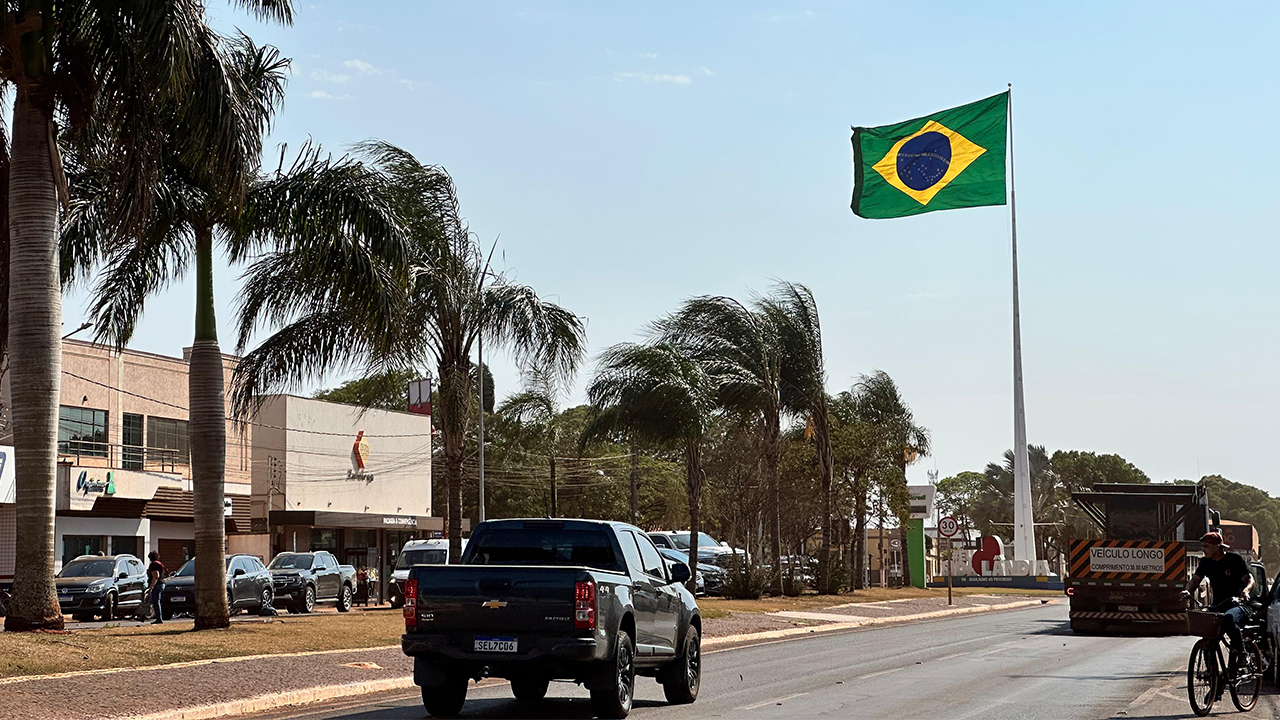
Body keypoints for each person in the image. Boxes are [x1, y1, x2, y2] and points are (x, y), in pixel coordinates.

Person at [1183, 531, 1254, 668]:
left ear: (1217, 546)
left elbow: (1249, 579)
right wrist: (1187, 590)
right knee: (1208, 636)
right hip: (1218, 606)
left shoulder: (1234, 560)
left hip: (1238, 605)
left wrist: (1246, 591)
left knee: (1229, 618)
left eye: (1206, 546)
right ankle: (1213, 678)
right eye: (1202, 546)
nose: (1203, 549)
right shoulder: (1205, 562)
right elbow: (1195, 580)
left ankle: (1242, 654)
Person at [145, 551, 166, 625]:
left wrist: (151, 587)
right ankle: (158, 618)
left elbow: (156, 576)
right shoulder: (159, 564)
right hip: (162, 583)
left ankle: (158, 619)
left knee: (155, 601)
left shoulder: (154, 565)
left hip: (157, 585)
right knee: (156, 601)